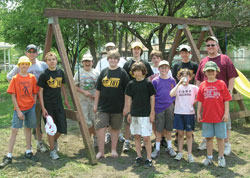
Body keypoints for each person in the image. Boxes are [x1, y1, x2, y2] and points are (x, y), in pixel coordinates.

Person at [195, 36, 238, 156]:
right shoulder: (203, 61)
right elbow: (198, 78)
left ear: (217, 46)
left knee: (225, 120)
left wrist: (229, 90)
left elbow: (232, 76)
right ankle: (206, 140)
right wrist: (197, 93)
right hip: (207, 97)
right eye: (208, 45)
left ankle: (226, 143)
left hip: (221, 97)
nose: (210, 47)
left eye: (213, 45)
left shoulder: (225, 59)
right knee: (206, 119)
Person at [7, 44, 48, 153]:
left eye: (34, 51)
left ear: (37, 53)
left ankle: (39, 143)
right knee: (28, 124)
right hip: (25, 99)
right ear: (26, 53)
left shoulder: (43, 65)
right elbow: (9, 77)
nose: (31, 54)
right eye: (29, 52)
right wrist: (17, 88)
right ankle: (27, 147)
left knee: (38, 122)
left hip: (39, 97)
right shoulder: (21, 64)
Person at [0, 56, 39, 169]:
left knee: (28, 128)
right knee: (14, 130)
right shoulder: (15, 79)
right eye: (22, 64)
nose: (24, 66)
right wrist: (18, 111)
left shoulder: (32, 78)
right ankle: (9, 155)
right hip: (19, 108)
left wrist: (34, 103)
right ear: (19, 66)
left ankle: (28, 151)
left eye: (26, 64)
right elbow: (13, 96)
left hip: (30, 107)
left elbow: (35, 92)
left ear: (28, 65)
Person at [94, 50, 130, 159]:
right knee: (100, 128)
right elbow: (98, 90)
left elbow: (127, 92)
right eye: (111, 58)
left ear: (118, 60)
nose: (113, 60)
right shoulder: (103, 72)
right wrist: (95, 105)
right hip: (103, 107)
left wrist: (126, 107)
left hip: (117, 107)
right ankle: (101, 151)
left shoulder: (122, 73)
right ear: (108, 59)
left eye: (115, 58)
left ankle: (113, 150)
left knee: (115, 129)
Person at [196, 61, 232, 167]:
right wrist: (198, 112)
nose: (210, 72)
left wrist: (226, 113)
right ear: (205, 73)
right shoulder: (202, 85)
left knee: (220, 138)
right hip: (207, 116)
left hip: (219, 117)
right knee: (208, 137)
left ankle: (221, 157)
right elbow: (200, 100)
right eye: (208, 71)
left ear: (216, 71)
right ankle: (209, 157)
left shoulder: (221, 83)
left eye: (212, 70)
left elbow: (226, 100)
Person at [37, 52, 70, 160]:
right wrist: (43, 108)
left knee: (62, 128)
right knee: (51, 128)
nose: (52, 61)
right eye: (49, 60)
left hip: (58, 104)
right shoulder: (44, 75)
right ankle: (52, 150)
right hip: (48, 105)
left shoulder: (60, 72)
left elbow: (63, 87)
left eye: (54, 59)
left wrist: (65, 99)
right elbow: (40, 92)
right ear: (46, 62)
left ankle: (53, 140)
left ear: (56, 60)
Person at [122, 41, 154, 152]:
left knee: (144, 120)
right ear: (132, 50)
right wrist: (126, 102)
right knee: (129, 120)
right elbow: (125, 82)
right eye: (134, 49)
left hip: (143, 96)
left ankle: (143, 142)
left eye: (138, 49)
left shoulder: (146, 63)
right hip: (131, 95)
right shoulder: (127, 64)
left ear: (141, 50)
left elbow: (149, 79)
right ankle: (127, 141)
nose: (136, 51)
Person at [125, 62, 156, 167]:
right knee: (137, 136)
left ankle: (149, 158)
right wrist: (129, 112)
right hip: (134, 114)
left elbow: (152, 98)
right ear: (132, 73)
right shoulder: (131, 84)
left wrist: (152, 112)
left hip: (146, 114)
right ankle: (138, 157)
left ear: (143, 72)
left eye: (139, 71)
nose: (137, 73)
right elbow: (129, 99)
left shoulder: (148, 83)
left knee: (146, 138)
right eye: (135, 71)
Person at [170, 68, 199, 163]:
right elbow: (171, 94)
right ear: (179, 77)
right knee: (180, 134)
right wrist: (179, 83)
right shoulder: (177, 88)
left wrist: (194, 102)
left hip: (189, 114)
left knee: (189, 135)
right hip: (179, 113)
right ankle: (180, 152)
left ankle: (190, 154)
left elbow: (200, 95)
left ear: (190, 77)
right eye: (182, 76)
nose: (185, 78)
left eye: (187, 76)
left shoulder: (193, 87)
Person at [151, 60, 176, 159]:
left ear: (168, 69)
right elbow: (153, 95)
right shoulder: (155, 81)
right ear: (159, 69)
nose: (164, 69)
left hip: (169, 106)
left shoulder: (172, 80)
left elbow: (174, 93)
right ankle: (157, 148)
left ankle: (169, 147)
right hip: (158, 107)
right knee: (159, 128)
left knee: (169, 127)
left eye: (166, 68)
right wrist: (153, 109)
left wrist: (172, 103)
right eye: (162, 68)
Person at [74, 54, 99, 147]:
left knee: (95, 120)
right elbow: (74, 86)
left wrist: (96, 95)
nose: (87, 63)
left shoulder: (96, 72)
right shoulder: (79, 73)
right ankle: (89, 138)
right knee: (86, 121)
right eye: (85, 61)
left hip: (94, 101)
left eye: (89, 61)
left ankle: (95, 139)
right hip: (83, 100)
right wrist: (83, 92)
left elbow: (99, 87)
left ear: (92, 62)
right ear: (82, 63)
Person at [149, 50, 172, 148]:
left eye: (157, 57)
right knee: (155, 120)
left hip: (165, 99)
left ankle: (163, 138)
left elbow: (171, 84)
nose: (155, 59)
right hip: (153, 97)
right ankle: (157, 137)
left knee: (165, 120)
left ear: (160, 58)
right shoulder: (149, 69)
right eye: (153, 58)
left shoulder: (167, 70)